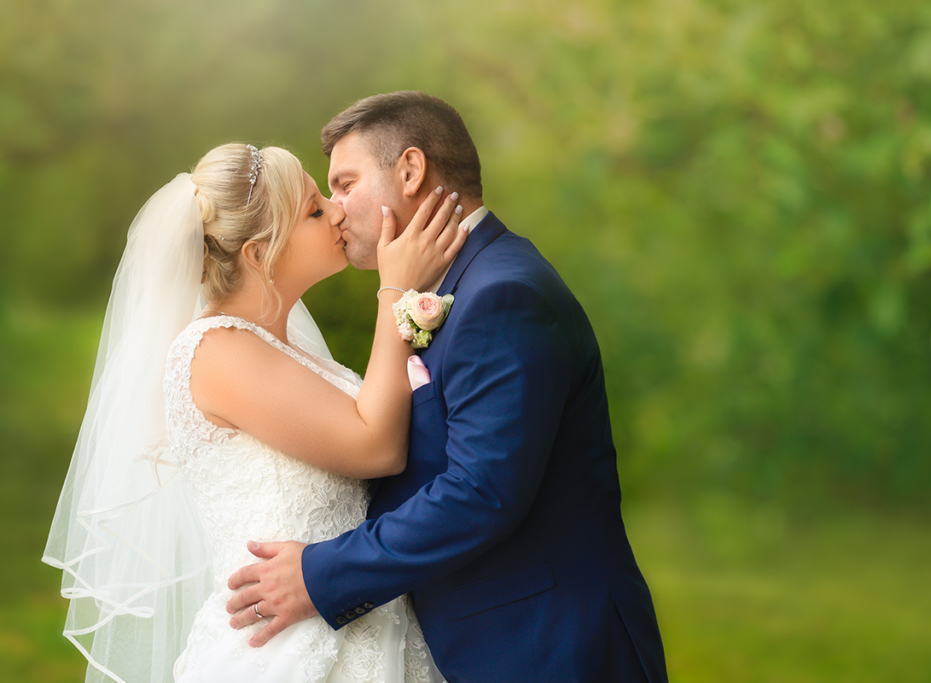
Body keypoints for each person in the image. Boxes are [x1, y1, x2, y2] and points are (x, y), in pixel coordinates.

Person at [225, 92, 670, 681]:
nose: (335, 209)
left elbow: (481, 490)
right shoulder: (461, 288)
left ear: (410, 171)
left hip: (548, 648)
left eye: (346, 183)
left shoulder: (502, 295)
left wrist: (321, 574)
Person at [43, 142, 468, 682]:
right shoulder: (216, 349)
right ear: (257, 254)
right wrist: (395, 290)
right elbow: (376, 447)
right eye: (315, 210)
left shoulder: (282, 350)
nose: (337, 211)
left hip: (352, 617)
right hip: (287, 649)